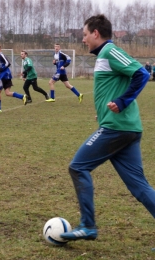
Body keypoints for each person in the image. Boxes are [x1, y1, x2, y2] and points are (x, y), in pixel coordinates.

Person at [60, 14, 155, 241]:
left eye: (84, 35)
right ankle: (88, 226)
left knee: (78, 167)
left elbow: (142, 74)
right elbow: (116, 85)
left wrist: (122, 102)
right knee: (140, 187)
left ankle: (88, 226)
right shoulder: (103, 56)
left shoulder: (109, 51)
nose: (83, 40)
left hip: (117, 129)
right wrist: (104, 111)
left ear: (95, 33)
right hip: (125, 128)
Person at [0, 44, 27, 114]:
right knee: (7, 93)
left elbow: (8, 63)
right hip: (6, 75)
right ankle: (23, 96)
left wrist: (1, 69)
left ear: (0, 50)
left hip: (3, 76)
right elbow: (3, 65)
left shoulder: (0, 55)